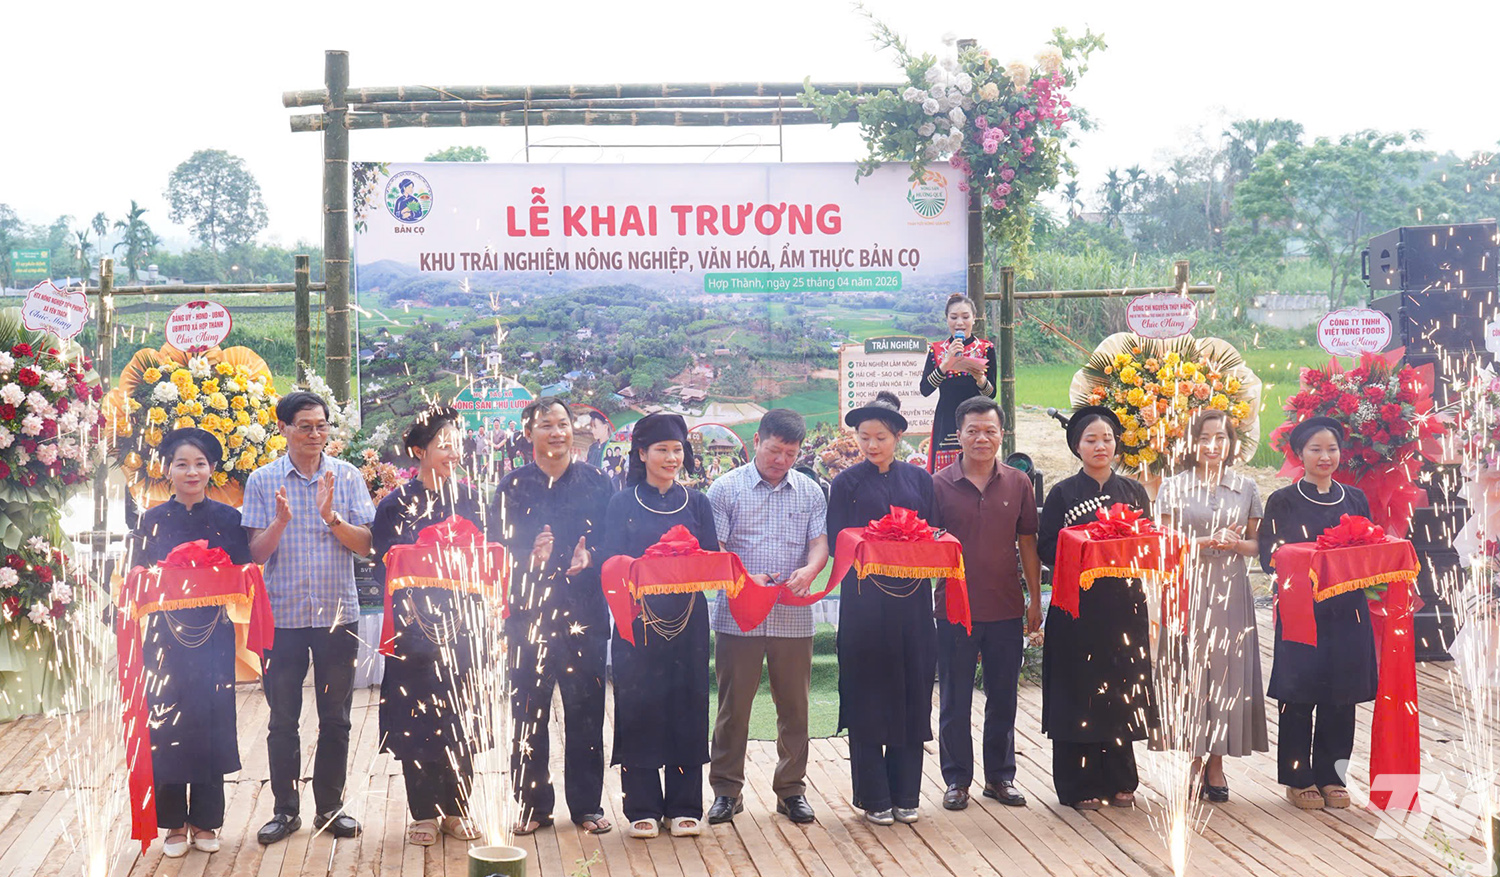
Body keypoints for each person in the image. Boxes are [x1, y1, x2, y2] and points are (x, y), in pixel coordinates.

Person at [243, 391, 376, 845]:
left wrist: (331, 517)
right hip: (282, 616)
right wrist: (280, 522)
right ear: (283, 428)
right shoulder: (263, 481)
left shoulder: (348, 476)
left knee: (336, 717)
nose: (315, 434)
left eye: (322, 425)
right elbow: (255, 553)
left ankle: (331, 807)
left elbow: (366, 544)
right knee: (283, 718)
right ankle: (285, 811)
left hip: (338, 614)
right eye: (305, 426)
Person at [127, 428, 254, 858]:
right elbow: (135, 577)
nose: (191, 471)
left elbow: (244, 573)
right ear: (166, 469)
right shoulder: (150, 520)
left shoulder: (228, 519)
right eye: (181, 463)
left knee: (212, 723)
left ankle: (206, 820)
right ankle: (174, 825)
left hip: (213, 636)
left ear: (212, 469)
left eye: (200, 463)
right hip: (164, 638)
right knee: (166, 725)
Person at [491, 398, 614, 837]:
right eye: (547, 425)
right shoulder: (512, 486)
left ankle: (587, 805)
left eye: (563, 424)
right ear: (529, 434)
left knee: (586, 710)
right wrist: (528, 556)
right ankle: (531, 805)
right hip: (528, 617)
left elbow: (615, 541)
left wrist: (591, 556)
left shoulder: (599, 482)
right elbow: (494, 549)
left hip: (584, 614)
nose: (557, 432)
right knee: (528, 712)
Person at [704, 409, 829, 826]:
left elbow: (819, 544)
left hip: (792, 615)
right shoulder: (725, 488)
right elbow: (716, 547)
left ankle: (791, 790)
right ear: (757, 441)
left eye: (790, 453)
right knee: (733, 706)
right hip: (739, 613)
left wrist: (811, 570)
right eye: (775, 450)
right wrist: (743, 576)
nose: (781, 460)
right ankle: (726, 791)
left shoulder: (810, 491)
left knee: (794, 707)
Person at [598, 412, 719, 839]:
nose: (672, 458)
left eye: (677, 450)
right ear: (642, 453)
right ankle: (642, 805)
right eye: (663, 449)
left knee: (688, 705)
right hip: (638, 623)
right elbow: (610, 563)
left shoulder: (697, 502)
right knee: (639, 706)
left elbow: (711, 559)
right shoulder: (621, 502)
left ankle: (686, 804)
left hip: (688, 620)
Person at [370, 407, 485, 846]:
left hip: (465, 628)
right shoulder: (394, 504)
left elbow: (490, 559)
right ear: (419, 451)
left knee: (462, 717)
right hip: (413, 629)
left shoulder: (472, 499)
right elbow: (388, 568)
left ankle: (457, 809)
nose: (453, 452)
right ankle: (422, 812)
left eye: (456, 442)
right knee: (415, 719)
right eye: (443, 444)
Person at [1037, 406, 1157, 810]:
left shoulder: (1134, 491)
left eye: (1106, 438)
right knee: (1079, 689)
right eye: (1090, 439)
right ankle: (1077, 783)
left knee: (1121, 688)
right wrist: (1085, 551)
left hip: (1124, 605)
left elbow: (1148, 542)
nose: (1100, 446)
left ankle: (1122, 779)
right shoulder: (1062, 493)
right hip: (1077, 609)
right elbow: (1045, 547)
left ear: (1116, 443)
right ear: (1076, 446)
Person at [826, 391, 936, 825]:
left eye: (881, 437)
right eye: (864, 437)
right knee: (868, 695)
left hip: (912, 605)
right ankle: (874, 796)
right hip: (864, 606)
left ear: (898, 437)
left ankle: (907, 793)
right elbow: (840, 541)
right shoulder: (845, 483)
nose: (871, 445)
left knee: (912, 692)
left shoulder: (919, 480)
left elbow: (931, 534)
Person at [1257, 416, 1375, 811]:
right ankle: (1297, 777)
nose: (1325, 457)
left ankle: (1332, 775)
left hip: (1348, 611)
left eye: (1332, 449)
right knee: (1299, 692)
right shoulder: (1282, 500)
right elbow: (1268, 557)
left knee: (1342, 694)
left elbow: (1369, 551)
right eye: (1315, 449)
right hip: (1301, 610)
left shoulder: (1355, 498)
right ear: (1299, 454)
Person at [931, 396, 1041, 811]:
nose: (982, 438)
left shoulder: (1018, 482)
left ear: (1001, 434)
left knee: (1003, 697)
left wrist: (1033, 600)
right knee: (955, 699)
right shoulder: (938, 484)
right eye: (973, 430)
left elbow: (1027, 542)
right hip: (955, 610)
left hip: (1007, 607)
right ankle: (956, 779)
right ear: (958, 435)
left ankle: (1000, 777)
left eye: (990, 431)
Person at [1153, 409, 1268, 802]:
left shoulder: (1245, 486)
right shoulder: (1173, 486)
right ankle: (1192, 760)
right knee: (1190, 673)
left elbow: (1259, 545)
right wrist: (1203, 543)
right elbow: (1163, 544)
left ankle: (1217, 761)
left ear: (1231, 442)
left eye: (1220, 438)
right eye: (1204, 438)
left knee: (1227, 674)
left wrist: (1236, 546)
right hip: (1187, 585)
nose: (1212, 446)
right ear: (1191, 442)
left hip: (1231, 587)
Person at [919, 293, 996, 473]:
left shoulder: (986, 349)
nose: (959, 322)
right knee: (945, 476)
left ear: (974, 319)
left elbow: (991, 394)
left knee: (977, 472)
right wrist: (945, 364)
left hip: (978, 419)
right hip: (947, 419)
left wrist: (979, 378)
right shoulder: (936, 350)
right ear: (947, 319)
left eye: (965, 317)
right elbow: (925, 389)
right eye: (954, 317)